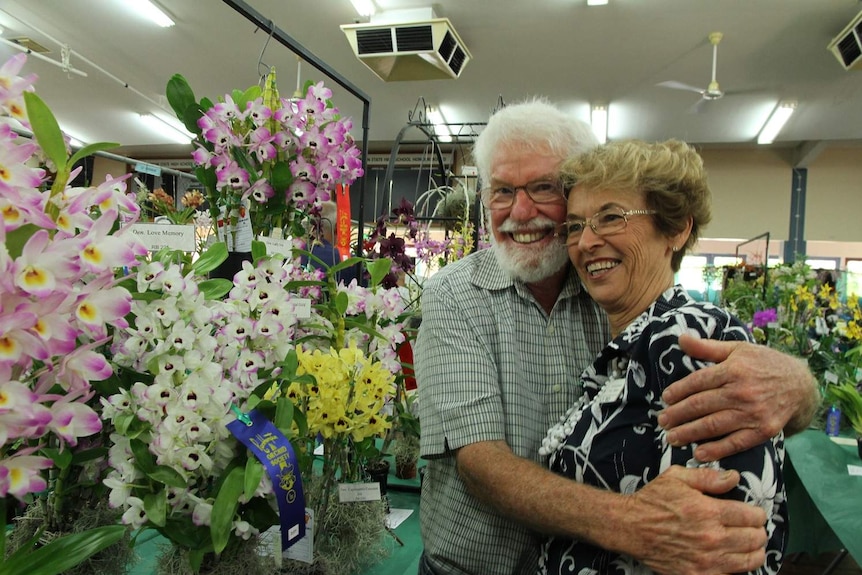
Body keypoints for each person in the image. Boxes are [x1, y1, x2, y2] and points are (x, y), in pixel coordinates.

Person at [414, 99, 817, 575]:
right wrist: (635, 524)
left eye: (543, 187)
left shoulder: (627, 303)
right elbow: (481, 463)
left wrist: (798, 386)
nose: (520, 211)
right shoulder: (457, 296)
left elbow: (725, 518)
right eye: (501, 190)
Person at [539, 139, 786, 574]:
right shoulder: (627, 348)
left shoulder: (691, 339)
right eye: (575, 226)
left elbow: (725, 540)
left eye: (611, 217)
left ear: (676, 230)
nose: (586, 242)